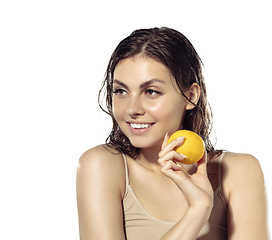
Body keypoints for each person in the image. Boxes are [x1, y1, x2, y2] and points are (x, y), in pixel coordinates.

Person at [76, 27, 269, 240]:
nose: (132, 109)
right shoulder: (102, 166)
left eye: (151, 92)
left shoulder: (238, 172)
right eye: (121, 91)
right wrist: (197, 210)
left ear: (190, 96)